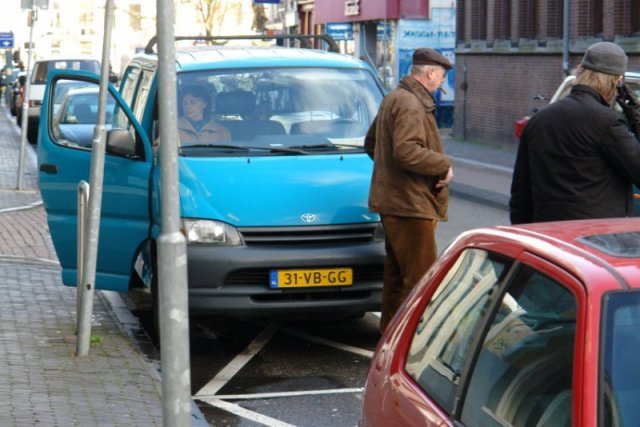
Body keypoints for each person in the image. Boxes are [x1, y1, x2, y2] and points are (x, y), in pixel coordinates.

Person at [365, 47, 454, 332]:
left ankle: (389, 339)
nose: (442, 83)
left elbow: (372, 143)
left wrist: (390, 176)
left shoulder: (395, 98)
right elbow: (406, 151)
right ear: (429, 73)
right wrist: (443, 164)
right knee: (421, 281)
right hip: (410, 205)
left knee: (396, 278)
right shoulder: (411, 104)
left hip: (395, 203)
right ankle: (414, 344)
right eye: (441, 77)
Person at [510, 42, 640, 224]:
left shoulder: (539, 120)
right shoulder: (607, 123)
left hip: (546, 233)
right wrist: (636, 120)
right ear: (616, 81)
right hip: (594, 238)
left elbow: (520, 192)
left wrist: (523, 234)